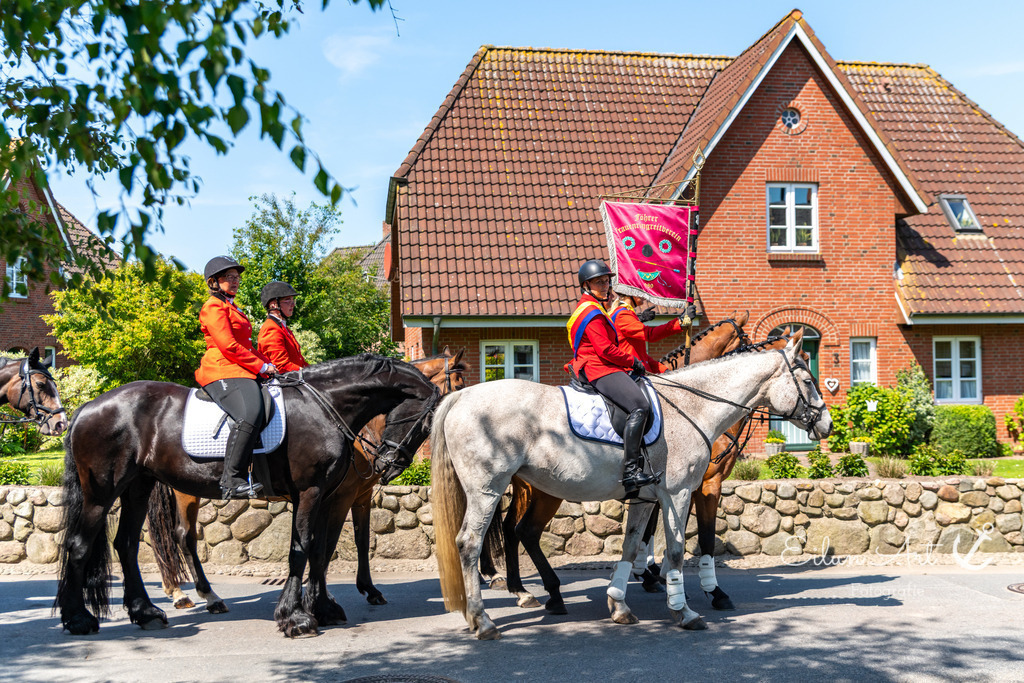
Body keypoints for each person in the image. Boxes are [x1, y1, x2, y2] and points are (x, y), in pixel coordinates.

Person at [565, 259, 661, 495]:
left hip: (601, 365)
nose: (605, 286)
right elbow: (605, 350)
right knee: (639, 405)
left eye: (607, 281)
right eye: (599, 282)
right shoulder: (592, 312)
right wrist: (633, 361)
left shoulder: (596, 308)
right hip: (599, 367)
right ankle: (630, 472)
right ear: (586, 285)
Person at [196, 256, 277, 499]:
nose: (235, 281)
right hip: (221, 369)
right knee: (250, 412)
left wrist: (268, 364)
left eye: (237, 277)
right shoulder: (213, 307)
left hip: (240, 368)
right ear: (213, 282)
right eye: (229, 277)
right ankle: (231, 479)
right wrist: (261, 367)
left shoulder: (233, 307)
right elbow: (229, 346)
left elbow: (245, 345)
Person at [610, 294, 685, 374]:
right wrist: (679, 322)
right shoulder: (623, 315)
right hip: (630, 373)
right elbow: (650, 334)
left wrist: (663, 370)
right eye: (640, 292)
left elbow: (642, 355)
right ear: (632, 295)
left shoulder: (627, 313)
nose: (644, 296)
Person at [256, 281, 309, 373]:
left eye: (293, 300)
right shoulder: (271, 329)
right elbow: (281, 365)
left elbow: (301, 361)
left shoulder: (282, 327)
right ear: (273, 304)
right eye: (288, 300)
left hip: (293, 377)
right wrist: (308, 373)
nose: (293, 304)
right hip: (281, 381)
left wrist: (317, 371)